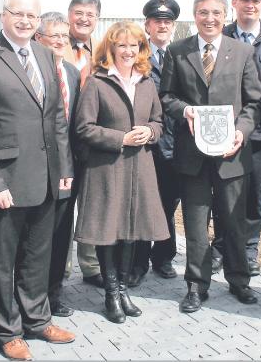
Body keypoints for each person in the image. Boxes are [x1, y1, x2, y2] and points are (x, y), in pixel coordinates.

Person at [0, 0, 75, 361]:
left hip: (46, 178)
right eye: (18, 14)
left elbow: (58, 117)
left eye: (32, 15)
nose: (26, 21)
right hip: (7, 181)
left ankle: (37, 319)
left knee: (37, 256)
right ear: (3, 16)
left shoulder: (45, 55)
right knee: (2, 261)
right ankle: (6, 330)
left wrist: (64, 169)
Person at [160, 0, 261, 313]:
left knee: (233, 224)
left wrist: (241, 132)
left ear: (225, 15)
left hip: (231, 155)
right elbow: (166, 97)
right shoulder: (178, 52)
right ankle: (195, 286)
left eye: (216, 12)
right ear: (195, 15)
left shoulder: (242, 52)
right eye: (203, 12)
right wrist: (185, 110)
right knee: (195, 225)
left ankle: (239, 281)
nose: (209, 18)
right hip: (192, 157)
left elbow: (254, 102)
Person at [74, 21, 168, 323]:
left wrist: (149, 132)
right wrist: (120, 139)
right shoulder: (97, 82)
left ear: (141, 48)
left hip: (139, 168)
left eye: (134, 45)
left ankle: (124, 288)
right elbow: (83, 128)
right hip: (107, 169)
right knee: (108, 233)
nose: (128, 51)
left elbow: (158, 121)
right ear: (111, 48)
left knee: (131, 233)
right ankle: (111, 294)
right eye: (122, 45)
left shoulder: (146, 81)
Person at [211, 0, 261, 277]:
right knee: (223, 194)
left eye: (256, 0)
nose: (250, 5)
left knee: (253, 196)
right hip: (225, 132)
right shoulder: (220, 36)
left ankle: (249, 251)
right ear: (234, 2)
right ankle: (221, 248)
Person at [130, 0, 182, 286]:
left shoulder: (181, 54)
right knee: (144, 202)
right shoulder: (137, 56)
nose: (162, 26)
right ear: (147, 25)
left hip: (176, 142)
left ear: (173, 26)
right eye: (156, 21)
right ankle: (138, 262)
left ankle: (164, 256)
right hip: (148, 142)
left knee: (169, 203)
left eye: (167, 22)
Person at [34, 12, 81, 317]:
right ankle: (32, 294)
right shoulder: (32, 72)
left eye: (65, 35)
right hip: (38, 167)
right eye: (55, 35)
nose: (62, 41)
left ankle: (54, 292)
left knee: (62, 232)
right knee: (37, 237)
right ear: (39, 39)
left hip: (69, 167)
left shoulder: (74, 73)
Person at [63, 0, 105, 288]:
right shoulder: (54, 46)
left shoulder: (101, 52)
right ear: (69, 14)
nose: (84, 19)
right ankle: (61, 270)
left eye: (90, 14)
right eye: (79, 13)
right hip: (62, 141)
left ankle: (90, 266)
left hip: (89, 142)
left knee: (91, 206)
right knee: (63, 209)